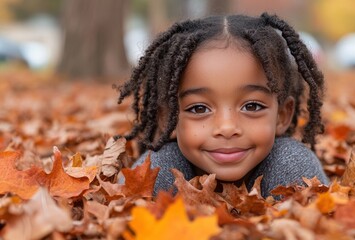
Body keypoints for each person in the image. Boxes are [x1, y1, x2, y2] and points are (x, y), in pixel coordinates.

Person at [116, 13, 329, 197]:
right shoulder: (160, 169)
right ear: (168, 119)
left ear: (282, 115)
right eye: (199, 109)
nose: (227, 128)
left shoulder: (291, 165)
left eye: (252, 106)